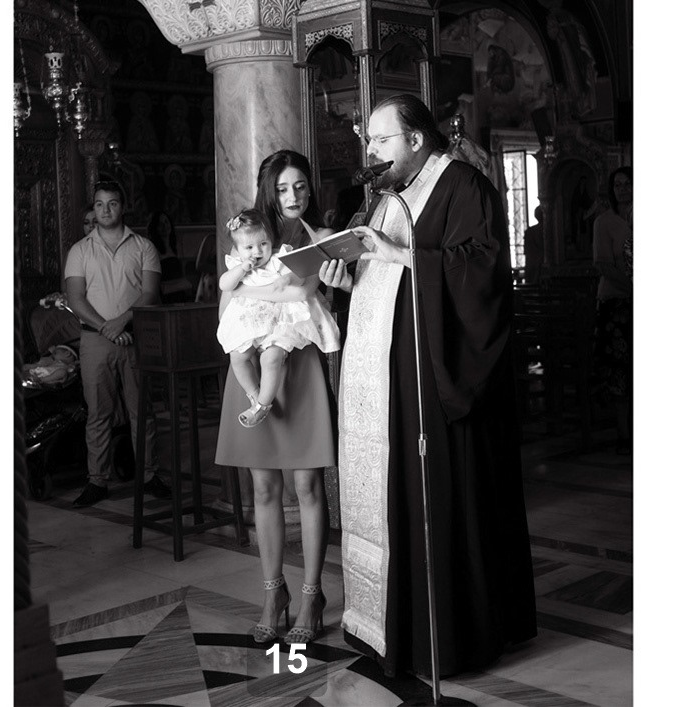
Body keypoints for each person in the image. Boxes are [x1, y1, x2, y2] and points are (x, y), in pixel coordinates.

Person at [318, 94, 537, 677]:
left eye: (381, 140)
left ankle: (449, 636)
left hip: (434, 379)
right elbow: (381, 280)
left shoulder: (463, 185)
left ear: (416, 139)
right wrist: (348, 279)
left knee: (439, 500)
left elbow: (483, 271)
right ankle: (395, 626)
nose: (372, 152)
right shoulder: (388, 197)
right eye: (369, 141)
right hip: (388, 381)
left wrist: (403, 253)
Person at [215, 150, 337, 647]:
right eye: (283, 188)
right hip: (251, 364)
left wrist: (249, 294)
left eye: (301, 186)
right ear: (269, 191)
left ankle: (311, 594)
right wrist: (244, 296)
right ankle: (273, 594)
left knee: (307, 485)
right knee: (263, 488)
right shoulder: (248, 239)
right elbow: (225, 306)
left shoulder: (318, 237)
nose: (293, 196)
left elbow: (303, 294)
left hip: (297, 363)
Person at [64, 179, 171, 507]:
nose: (105, 210)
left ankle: (149, 475)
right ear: (94, 209)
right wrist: (107, 328)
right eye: (99, 204)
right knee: (98, 412)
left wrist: (121, 321)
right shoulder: (80, 250)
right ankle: (97, 480)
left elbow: (150, 294)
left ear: (123, 207)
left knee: (142, 410)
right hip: (95, 340)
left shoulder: (143, 246)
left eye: (112, 203)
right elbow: (75, 298)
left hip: (135, 336)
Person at [217, 208, 340, 427]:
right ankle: (254, 395)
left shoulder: (278, 259)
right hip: (251, 324)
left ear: (270, 240)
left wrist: (287, 279)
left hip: (279, 324)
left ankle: (263, 405)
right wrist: (241, 269)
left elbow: (299, 282)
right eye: (249, 247)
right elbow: (225, 285)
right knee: (238, 357)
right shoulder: (238, 265)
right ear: (238, 249)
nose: (257, 251)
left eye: (263, 243)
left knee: (270, 359)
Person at [591, 165, 633, 455]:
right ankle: (624, 433)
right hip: (617, 304)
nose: (623, 189)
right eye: (617, 184)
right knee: (620, 371)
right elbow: (603, 264)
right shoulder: (604, 222)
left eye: (628, 183)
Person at [523, 204, 544, 283]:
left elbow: (527, 252)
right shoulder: (551, 231)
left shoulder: (529, 231)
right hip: (538, 265)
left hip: (532, 265)